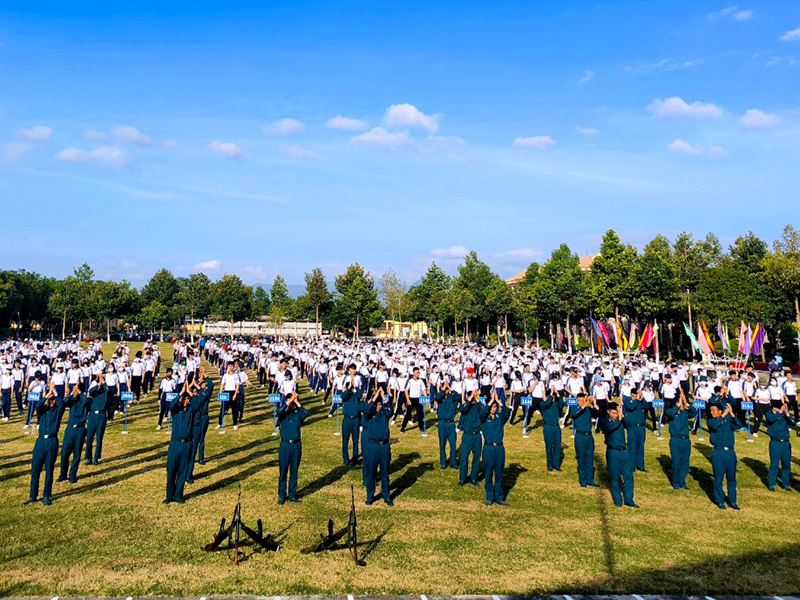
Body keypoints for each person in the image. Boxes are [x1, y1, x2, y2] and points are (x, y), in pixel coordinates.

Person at [25, 383, 65, 505]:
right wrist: (46, 396)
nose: (52, 401)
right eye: (50, 400)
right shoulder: (42, 411)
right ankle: (33, 495)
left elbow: (62, 404)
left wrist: (55, 392)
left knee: (49, 469)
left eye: (53, 400)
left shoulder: (57, 411)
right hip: (41, 441)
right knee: (35, 469)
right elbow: (37, 405)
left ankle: (46, 495)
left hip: (52, 441)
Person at [164, 385, 202, 504]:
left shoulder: (191, 410)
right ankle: (169, 496)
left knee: (182, 471)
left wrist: (190, 393)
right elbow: (170, 406)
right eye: (183, 399)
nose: (185, 401)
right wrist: (180, 394)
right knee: (171, 470)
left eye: (187, 399)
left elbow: (198, 404)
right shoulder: (176, 410)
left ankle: (178, 496)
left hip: (187, 444)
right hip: (175, 444)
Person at [599, 401, 638, 508]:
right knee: (615, 477)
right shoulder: (604, 421)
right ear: (608, 412)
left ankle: (629, 499)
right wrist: (618, 421)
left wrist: (623, 415)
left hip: (624, 452)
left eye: (616, 413)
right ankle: (617, 500)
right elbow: (610, 428)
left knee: (628, 477)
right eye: (613, 413)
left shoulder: (621, 419)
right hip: (613, 452)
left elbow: (630, 425)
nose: (615, 415)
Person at [706, 400, 742, 509]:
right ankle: (720, 500)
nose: (712, 412)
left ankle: (732, 501)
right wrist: (724, 415)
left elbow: (739, 425)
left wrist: (731, 413)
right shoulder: (711, 422)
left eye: (714, 410)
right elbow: (716, 425)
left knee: (731, 478)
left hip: (730, 452)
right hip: (718, 452)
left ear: (719, 411)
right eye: (711, 410)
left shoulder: (727, 421)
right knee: (718, 478)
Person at [276, 387, 307, 504]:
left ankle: (292, 495)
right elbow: (279, 411)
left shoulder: (296, 414)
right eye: (291, 401)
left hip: (296, 445)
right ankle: (282, 495)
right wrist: (289, 400)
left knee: (294, 471)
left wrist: (297, 402)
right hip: (285, 445)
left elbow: (305, 413)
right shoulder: (282, 414)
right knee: (283, 471)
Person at [363, 390, 394, 506]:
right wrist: (375, 397)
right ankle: (370, 496)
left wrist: (384, 398)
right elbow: (367, 410)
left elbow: (391, 410)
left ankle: (386, 495)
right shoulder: (369, 415)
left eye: (380, 404)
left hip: (384, 446)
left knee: (385, 473)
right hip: (373, 446)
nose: (379, 406)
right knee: (371, 472)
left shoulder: (384, 414)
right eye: (377, 404)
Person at [479, 395, 511, 505]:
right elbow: (482, 413)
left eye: (495, 407)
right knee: (488, 473)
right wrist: (490, 402)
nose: (494, 408)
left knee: (499, 473)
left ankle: (499, 496)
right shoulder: (484, 418)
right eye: (493, 407)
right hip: (488, 448)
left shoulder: (499, 417)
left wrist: (499, 402)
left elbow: (507, 413)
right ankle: (489, 496)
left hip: (499, 448)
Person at [58, 382, 92, 483]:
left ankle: (72, 475)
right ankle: (63, 474)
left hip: (80, 429)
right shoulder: (72, 400)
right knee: (64, 453)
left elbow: (86, 403)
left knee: (77, 453)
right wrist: (72, 393)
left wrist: (80, 393)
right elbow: (64, 403)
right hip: (70, 429)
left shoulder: (86, 400)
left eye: (75, 387)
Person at [663, 390, 695, 490]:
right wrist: (678, 404)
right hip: (675, 440)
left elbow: (694, 413)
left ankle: (682, 481)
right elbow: (670, 413)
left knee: (685, 462)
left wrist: (686, 403)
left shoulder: (685, 413)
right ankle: (676, 482)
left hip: (685, 440)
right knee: (676, 462)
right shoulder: (671, 412)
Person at [188, 370, 214, 483]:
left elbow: (211, 386)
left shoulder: (204, 394)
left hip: (203, 417)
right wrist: (193, 382)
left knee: (202, 439)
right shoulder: (194, 395)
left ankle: (201, 458)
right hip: (194, 420)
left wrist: (206, 377)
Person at [764, 397, 795, 492]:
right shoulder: (769, 414)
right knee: (774, 464)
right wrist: (779, 413)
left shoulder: (784, 416)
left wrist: (787, 414)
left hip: (785, 443)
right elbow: (771, 419)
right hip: (775, 443)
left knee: (786, 465)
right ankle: (771, 483)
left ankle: (785, 484)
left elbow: (793, 423)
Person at [570, 393, 599, 487]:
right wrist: (583, 407)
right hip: (580, 435)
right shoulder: (574, 408)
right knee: (581, 458)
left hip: (589, 436)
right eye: (581, 400)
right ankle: (582, 480)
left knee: (590, 458)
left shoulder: (588, 409)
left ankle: (590, 479)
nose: (583, 402)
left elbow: (597, 414)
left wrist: (592, 405)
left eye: (584, 400)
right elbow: (574, 415)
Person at [458, 380, 483, 487]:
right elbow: (462, 409)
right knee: (464, 458)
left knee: (476, 457)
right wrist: (469, 398)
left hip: (476, 435)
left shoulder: (477, 406)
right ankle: (463, 478)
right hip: (467, 435)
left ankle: (473, 478)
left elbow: (483, 412)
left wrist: (477, 399)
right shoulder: (466, 408)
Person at [85, 374, 113, 465]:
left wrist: (103, 382)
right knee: (89, 437)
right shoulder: (94, 393)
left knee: (99, 438)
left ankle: (96, 458)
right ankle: (88, 457)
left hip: (101, 415)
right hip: (92, 414)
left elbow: (109, 391)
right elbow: (90, 391)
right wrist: (98, 385)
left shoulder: (106, 393)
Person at [622, 387, 648, 473]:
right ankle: (631, 465)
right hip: (632, 427)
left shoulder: (639, 402)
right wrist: (637, 400)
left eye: (635, 396)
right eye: (633, 396)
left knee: (641, 447)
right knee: (632, 447)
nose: (634, 398)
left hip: (641, 427)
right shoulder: (627, 401)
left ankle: (640, 465)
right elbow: (631, 407)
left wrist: (642, 398)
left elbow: (647, 406)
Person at [436, 378, 459, 469]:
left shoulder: (452, 398)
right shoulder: (440, 399)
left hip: (451, 424)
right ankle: (443, 463)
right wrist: (442, 389)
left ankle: (453, 463)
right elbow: (437, 397)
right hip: (442, 424)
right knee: (442, 444)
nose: (446, 390)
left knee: (453, 444)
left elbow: (458, 397)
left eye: (447, 389)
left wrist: (450, 388)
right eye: (444, 388)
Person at [539, 387, 564, 472]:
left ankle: (556, 465)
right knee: (549, 447)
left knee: (557, 447)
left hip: (556, 427)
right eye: (551, 397)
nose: (553, 399)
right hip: (548, 427)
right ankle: (549, 465)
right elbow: (547, 402)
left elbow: (561, 404)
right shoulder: (543, 405)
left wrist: (557, 393)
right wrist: (551, 393)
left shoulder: (555, 404)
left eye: (553, 398)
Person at [340, 381, 362, 466]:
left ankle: (355, 459)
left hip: (356, 420)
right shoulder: (345, 397)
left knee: (355, 441)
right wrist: (348, 388)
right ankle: (346, 460)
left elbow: (360, 393)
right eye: (350, 388)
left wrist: (355, 386)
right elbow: (343, 396)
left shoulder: (355, 396)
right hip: (347, 420)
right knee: (345, 441)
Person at [401, 367, 426, 432]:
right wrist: (408, 399)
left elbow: (423, 389)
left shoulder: (421, 381)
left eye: (419, 372)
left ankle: (421, 427)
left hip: (419, 398)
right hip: (411, 398)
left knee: (420, 414)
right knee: (408, 413)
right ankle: (403, 427)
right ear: (414, 373)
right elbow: (406, 390)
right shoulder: (410, 381)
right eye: (417, 372)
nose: (418, 374)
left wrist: (426, 398)